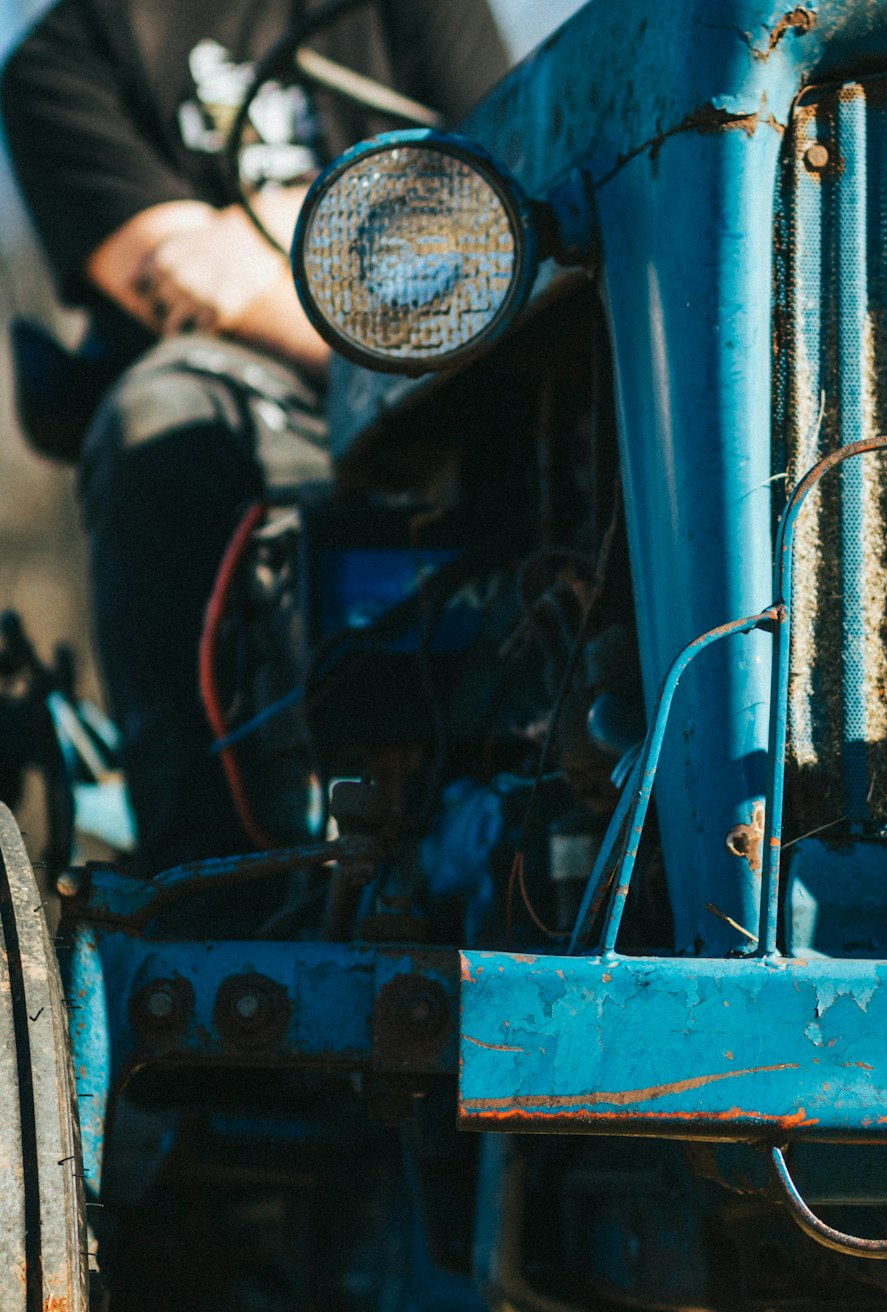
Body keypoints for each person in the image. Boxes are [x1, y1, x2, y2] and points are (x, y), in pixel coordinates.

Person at [1, 0, 508, 871]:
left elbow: (516, 197)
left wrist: (262, 227)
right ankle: (214, 884)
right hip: (271, 404)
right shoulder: (65, 57)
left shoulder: (422, 10)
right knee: (163, 416)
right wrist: (409, 305)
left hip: (485, 373)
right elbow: (185, 272)